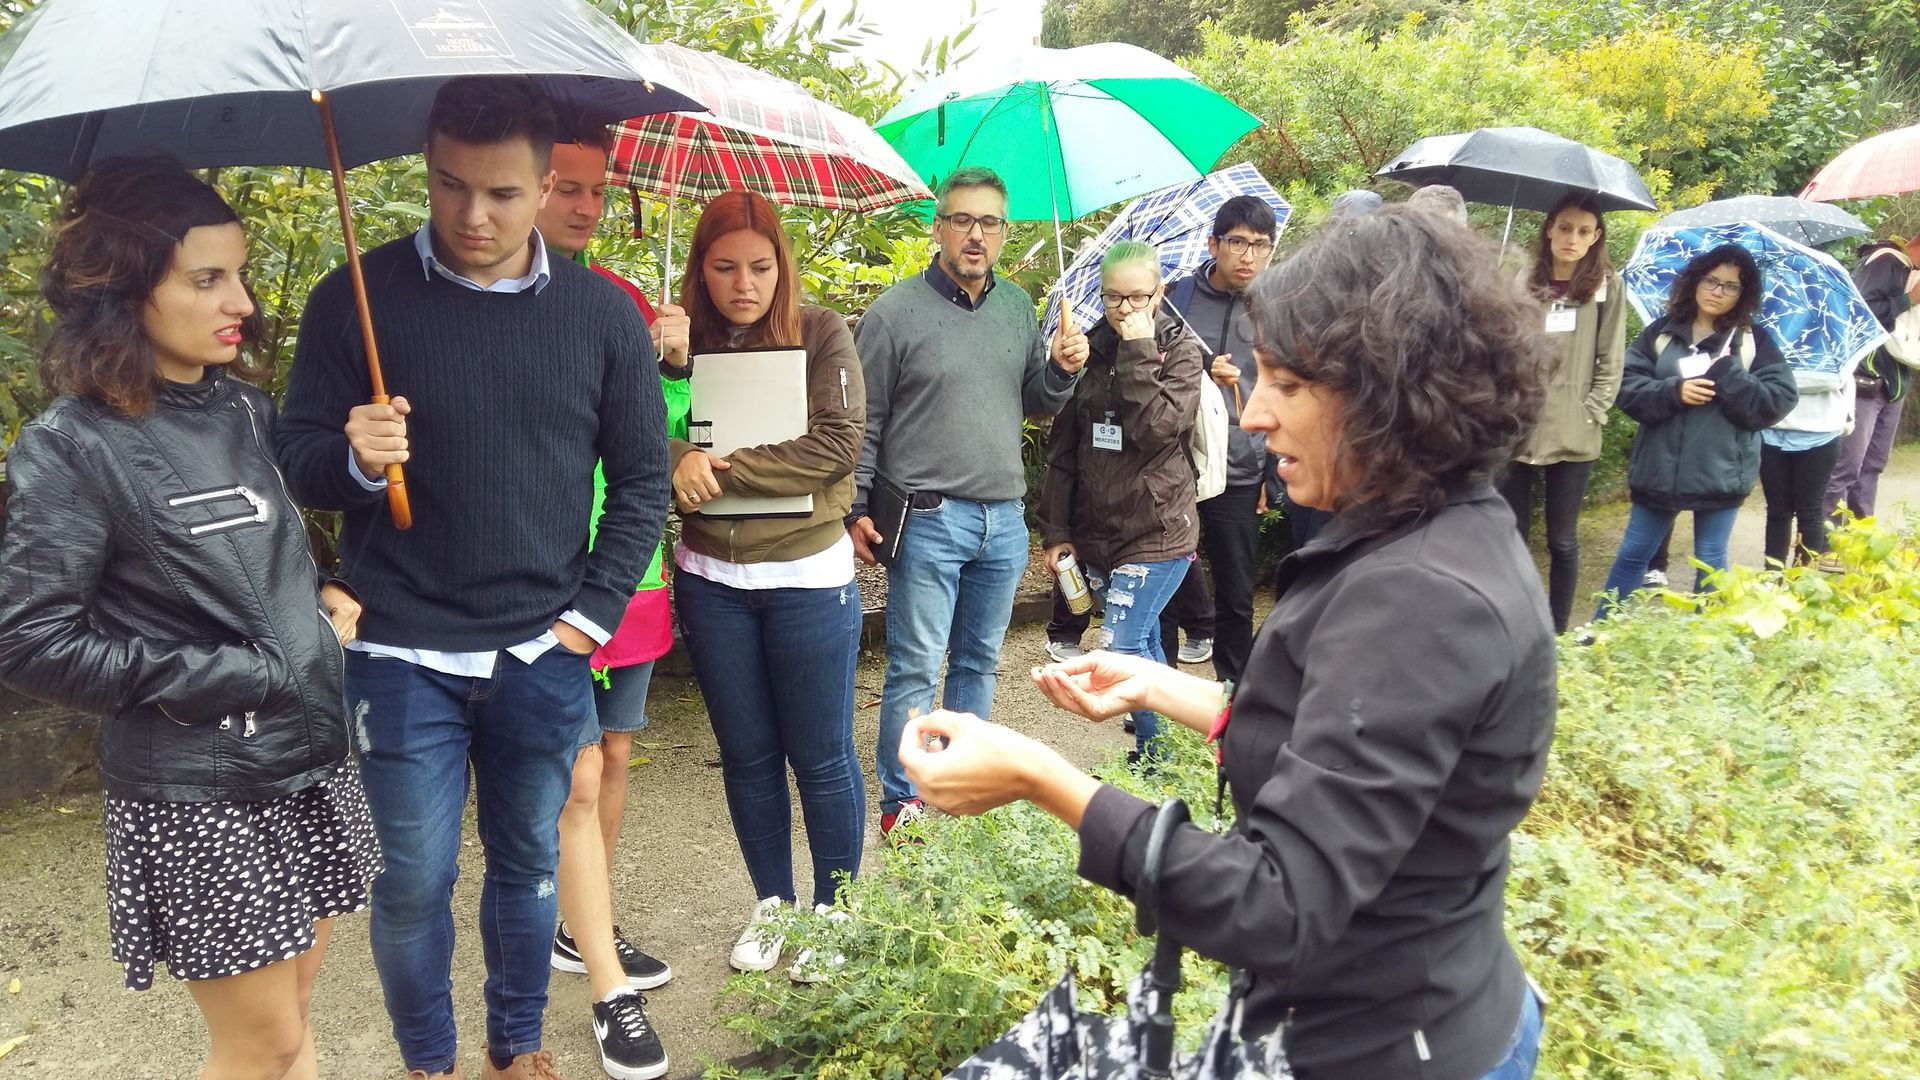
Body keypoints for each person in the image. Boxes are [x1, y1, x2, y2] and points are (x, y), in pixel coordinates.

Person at [900, 207, 1557, 1079]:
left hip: (1387, 1049)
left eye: (1286, 385)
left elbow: (1277, 901)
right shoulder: (1431, 532)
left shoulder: (1423, 597)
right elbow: (1342, 743)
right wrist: (1157, 684)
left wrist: (1041, 778)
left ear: (1384, 390)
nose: (1253, 416)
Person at [276, 77, 669, 1080]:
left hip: (543, 646)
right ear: (428, 171)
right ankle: (431, 1063)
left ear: (547, 187)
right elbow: (297, 460)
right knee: (410, 880)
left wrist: (589, 616)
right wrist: (357, 460)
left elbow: (639, 482)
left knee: (531, 862)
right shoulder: (354, 302)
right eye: (449, 187)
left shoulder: (602, 319)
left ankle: (516, 1045)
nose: (472, 216)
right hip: (401, 649)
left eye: (501, 193)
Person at [0, 158, 382, 1080]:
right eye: (207, 278)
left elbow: (246, 557)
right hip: (199, 791)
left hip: (307, 757)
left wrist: (321, 584)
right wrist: (241, 674)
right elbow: (28, 637)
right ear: (124, 290)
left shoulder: (244, 408)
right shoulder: (70, 448)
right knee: (260, 1041)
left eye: (239, 273)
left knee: (292, 1016)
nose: (241, 301)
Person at [847, 166, 1084, 841]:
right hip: (926, 518)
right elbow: (866, 421)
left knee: (979, 663)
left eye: (990, 223)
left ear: (1005, 233)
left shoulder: (1016, 306)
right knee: (917, 667)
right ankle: (906, 801)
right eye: (963, 220)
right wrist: (855, 506)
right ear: (939, 226)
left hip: (1003, 519)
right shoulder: (893, 315)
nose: (976, 234)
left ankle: (964, 785)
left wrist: (1062, 370)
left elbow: (1033, 399)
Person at [666, 190, 868, 976]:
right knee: (747, 755)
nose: (742, 284)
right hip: (710, 578)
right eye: (723, 268)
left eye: (759, 266)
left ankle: (835, 911)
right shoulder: (680, 341)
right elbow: (639, 429)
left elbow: (838, 443)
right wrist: (674, 417)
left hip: (809, 574)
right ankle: (774, 905)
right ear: (701, 269)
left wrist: (716, 468)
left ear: (782, 265)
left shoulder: (821, 331)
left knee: (819, 755)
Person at [533, 127, 681, 1080]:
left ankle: (583, 925)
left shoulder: (624, 299)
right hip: (546, 568)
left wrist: (673, 363)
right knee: (574, 771)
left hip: (629, 566)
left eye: (598, 190)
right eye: (564, 187)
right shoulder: (499, 300)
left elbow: (667, 438)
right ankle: (581, 947)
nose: (584, 206)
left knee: (616, 750)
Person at [1037, 241, 1204, 761]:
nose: (1125, 309)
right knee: (1146, 644)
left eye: (1137, 297)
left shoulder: (1181, 350)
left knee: (1121, 646)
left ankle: (1156, 762)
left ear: (1160, 292)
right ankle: (1169, 756)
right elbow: (1063, 452)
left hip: (1159, 528)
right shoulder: (1090, 349)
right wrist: (1058, 532)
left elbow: (1156, 430)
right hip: (1100, 531)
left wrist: (1136, 351)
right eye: (1113, 299)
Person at [1593, 245, 1797, 621]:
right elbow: (1626, 386)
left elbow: (1777, 401)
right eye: (1711, 280)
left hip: (1720, 471)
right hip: (1659, 468)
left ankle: (1705, 646)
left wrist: (1730, 374)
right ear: (1695, 281)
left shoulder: (1753, 342)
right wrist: (1674, 391)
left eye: (1730, 286)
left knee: (1710, 562)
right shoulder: (1662, 333)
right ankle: (1601, 630)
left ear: (1743, 293)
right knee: (1634, 554)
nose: (1717, 291)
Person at [1163, 194, 1281, 682]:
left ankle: (1235, 692)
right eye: (1237, 242)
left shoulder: (1277, 305)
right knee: (1165, 584)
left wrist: (1270, 472)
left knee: (1236, 591)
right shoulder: (1175, 298)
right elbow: (1150, 368)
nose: (1248, 256)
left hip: (1242, 466)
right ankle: (1155, 692)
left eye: (1260, 245)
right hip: (1177, 465)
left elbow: (1286, 391)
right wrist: (1199, 369)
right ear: (1213, 243)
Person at [1498, 194, 1625, 633]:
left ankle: (1557, 630)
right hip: (1520, 425)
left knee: (1562, 539)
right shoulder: (1520, 277)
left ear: (1596, 238)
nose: (1573, 238)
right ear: (1549, 228)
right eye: (1566, 227)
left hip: (1574, 429)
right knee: (1509, 534)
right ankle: (1513, 623)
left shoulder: (1607, 284)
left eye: (1584, 231)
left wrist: (1594, 409)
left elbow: (1611, 357)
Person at [1824, 234, 1918, 527]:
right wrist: (1909, 299)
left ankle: (1861, 537)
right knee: (1848, 465)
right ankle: (1824, 542)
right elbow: (1859, 313)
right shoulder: (1884, 262)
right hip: (1866, 378)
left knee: (1874, 464)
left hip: (1896, 380)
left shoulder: (1909, 271)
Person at [1759, 347, 1858, 568]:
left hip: (1821, 432)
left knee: (1810, 510)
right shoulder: (1772, 330)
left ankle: (1802, 580)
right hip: (1772, 428)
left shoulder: (1833, 332)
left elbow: (1841, 378)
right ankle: (1771, 576)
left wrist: (1847, 415)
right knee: (1777, 510)